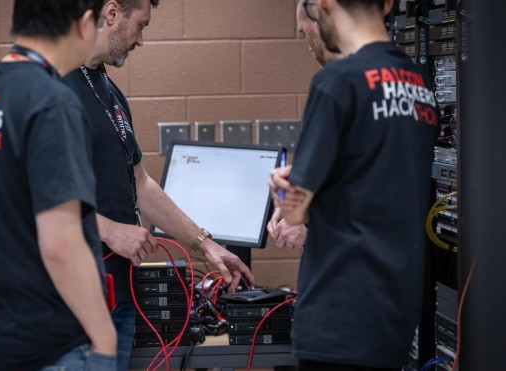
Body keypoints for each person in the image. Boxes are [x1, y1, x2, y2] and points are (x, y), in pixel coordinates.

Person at [62, 0, 255, 368]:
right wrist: (109, 230)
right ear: (113, 13)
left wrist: (206, 246)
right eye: (141, 26)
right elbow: (28, 196)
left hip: (117, 298)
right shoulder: (51, 88)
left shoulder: (109, 91)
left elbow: (141, 184)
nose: (141, 41)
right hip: (71, 307)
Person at [269, 0, 438, 369]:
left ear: (325, 5)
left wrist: (280, 185)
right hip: (396, 314)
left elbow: (295, 208)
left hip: (339, 319)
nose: (303, 29)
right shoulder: (420, 84)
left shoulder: (338, 81)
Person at [0, 1, 118, 369]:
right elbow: (60, 244)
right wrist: (105, 340)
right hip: (54, 347)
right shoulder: (53, 101)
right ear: (84, 23)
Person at [266, 0, 343, 250]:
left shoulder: (335, 86)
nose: (308, 45)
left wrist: (305, 225)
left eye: (304, 31)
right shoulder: (401, 78)